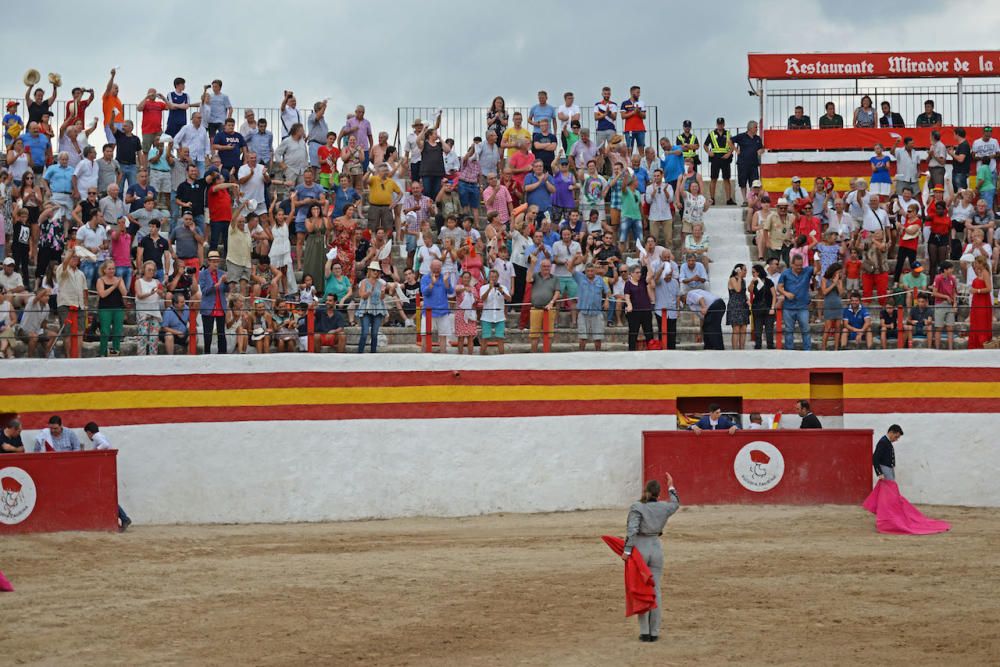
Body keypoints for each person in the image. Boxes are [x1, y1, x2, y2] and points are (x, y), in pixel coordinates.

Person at [622, 472, 680, 643]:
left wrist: (626, 551)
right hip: (656, 547)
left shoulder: (637, 507)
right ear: (658, 493)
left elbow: (632, 530)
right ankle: (654, 632)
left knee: (641, 590)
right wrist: (671, 485)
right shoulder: (664, 507)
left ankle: (644, 632)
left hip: (640, 549)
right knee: (656, 591)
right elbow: (676, 503)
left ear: (646, 491)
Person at [83, 422, 132, 532]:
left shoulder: (96, 437)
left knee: (108, 498)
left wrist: (95, 452)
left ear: (89, 433)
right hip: (106, 470)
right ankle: (124, 518)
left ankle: (124, 518)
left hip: (103, 472)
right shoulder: (100, 436)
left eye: (87, 434)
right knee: (109, 498)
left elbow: (104, 445)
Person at [776, 254, 814, 350]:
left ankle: (807, 351)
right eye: (797, 265)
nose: (799, 267)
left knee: (806, 329)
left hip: (803, 307)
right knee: (789, 330)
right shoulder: (785, 273)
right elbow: (779, 287)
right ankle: (789, 351)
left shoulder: (807, 270)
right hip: (789, 307)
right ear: (792, 264)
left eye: (801, 265)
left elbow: (817, 269)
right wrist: (786, 293)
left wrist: (817, 258)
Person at [703, 117, 735, 205]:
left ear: (724, 124)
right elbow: (705, 145)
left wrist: (729, 154)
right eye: (718, 124)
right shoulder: (712, 134)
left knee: (726, 179)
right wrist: (709, 152)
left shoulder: (728, 133)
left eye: (721, 124)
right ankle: (712, 199)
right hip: (715, 158)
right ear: (716, 125)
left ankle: (729, 199)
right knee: (713, 179)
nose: (720, 125)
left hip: (725, 158)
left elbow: (732, 145)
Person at [732, 121, 764, 204]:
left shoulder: (757, 138)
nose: (757, 129)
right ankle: (745, 200)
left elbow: (761, 148)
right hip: (743, 164)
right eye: (755, 127)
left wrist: (761, 150)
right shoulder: (741, 136)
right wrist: (735, 150)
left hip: (754, 164)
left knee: (754, 183)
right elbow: (729, 140)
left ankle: (752, 199)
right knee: (742, 182)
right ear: (750, 128)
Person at [967, 256, 994, 349]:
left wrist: (977, 290)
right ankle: (975, 345)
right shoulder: (979, 272)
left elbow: (989, 288)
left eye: (977, 263)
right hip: (976, 302)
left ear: (981, 263)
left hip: (982, 302)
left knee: (981, 324)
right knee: (975, 323)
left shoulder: (985, 273)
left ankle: (981, 344)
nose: (975, 264)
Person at [750, 264, 776, 349]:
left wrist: (772, 307)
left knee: (769, 329)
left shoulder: (768, 282)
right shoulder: (755, 282)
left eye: (754, 272)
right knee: (758, 329)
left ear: (758, 272)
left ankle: (770, 345)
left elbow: (774, 295)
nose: (753, 274)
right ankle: (758, 345)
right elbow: (750, 290)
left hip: (768, 307)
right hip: (757, 308)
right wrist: (752, 282)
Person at [726, 264, 749, 350]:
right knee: (736, 329)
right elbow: (738, 289)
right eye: (744, 270)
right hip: (734, 306)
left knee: (743, 328)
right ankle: (735, 349)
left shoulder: (743, 280)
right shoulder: (733, 279)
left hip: (743, 305)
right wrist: (739, 277)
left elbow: (743, 292)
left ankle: (742, 348)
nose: (746, 272)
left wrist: (747, 299)